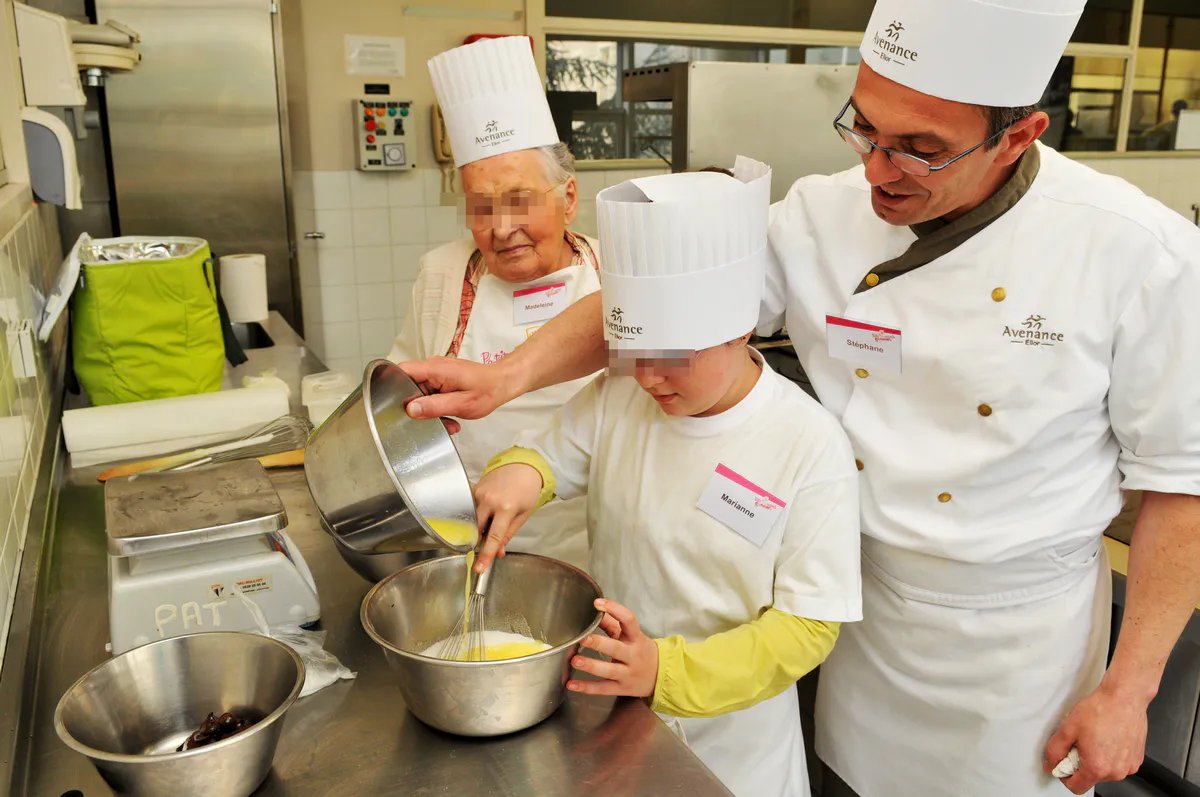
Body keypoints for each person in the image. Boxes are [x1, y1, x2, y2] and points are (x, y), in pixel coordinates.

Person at [398, 0, 1200, 794]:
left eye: (920, 150)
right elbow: (659, 296)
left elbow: (1183, 484)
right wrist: (509, 376)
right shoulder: (821, 212)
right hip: (859, 609)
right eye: (864, 128)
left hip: (1014, 650)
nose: (876, 170)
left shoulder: (1141, 253)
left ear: (1018, 136)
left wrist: (1129, 691)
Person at [471, 160, 862, 797]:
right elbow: (547, 454)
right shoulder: (621, 392)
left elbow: (806, 626)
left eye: (675, 354)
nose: (649, 376)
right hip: (611, 720)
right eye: (633, 348)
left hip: (735, 749)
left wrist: (665, 670)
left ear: (740, 326)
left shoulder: (807, 444)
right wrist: (519, 473)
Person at [388, 36, 599, 570]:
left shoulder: (620, 275)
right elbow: (400, 395)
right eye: (481, 208)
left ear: (569, 198)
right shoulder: (441, 274)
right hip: (464, 543)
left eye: (519, 201)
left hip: (597, 546)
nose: (501, 229)